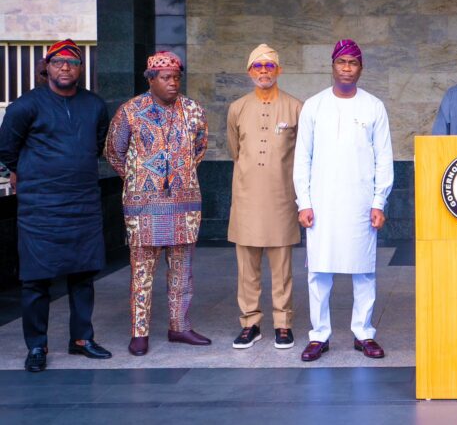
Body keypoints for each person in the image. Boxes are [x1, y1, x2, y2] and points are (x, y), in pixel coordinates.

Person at [0, 39, 112, 372]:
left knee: (83, 274)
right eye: (58, 61)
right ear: (46, 67)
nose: (65, 67)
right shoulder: (26, 106)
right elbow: (6, 148)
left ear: (81, 69)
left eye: (73, 62)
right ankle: (37, 345)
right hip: (40, 206)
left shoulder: (94, 105)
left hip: (82, 202)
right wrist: (27, 172)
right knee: (36, 280)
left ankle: (82, 339)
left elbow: (97, 144)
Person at [293, 39, 393, 362]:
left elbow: (384, 158)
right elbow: (302, 158)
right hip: (322, 202)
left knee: (363, 269)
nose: (347, 68)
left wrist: (379, 201)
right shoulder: (314, 106)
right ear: (332, 66)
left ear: (361, 68)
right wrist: (304, 202)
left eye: (353, 63)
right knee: (319, 271)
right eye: (341, 62)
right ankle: (319, 335)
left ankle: (363, 333)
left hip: (360, 202)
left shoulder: (373, 106)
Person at [105, 51, 210, 356]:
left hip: (184, 205)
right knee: (142, 273)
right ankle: (140, 333)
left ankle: (180, 327)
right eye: (165, 78)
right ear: (151, 80)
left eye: (176, 77)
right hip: (142, 208)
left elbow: (199, 148)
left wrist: (179, 175)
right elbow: (114, 152)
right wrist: (139, 177)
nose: (173, 83)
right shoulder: (130, 111)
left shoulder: (193, 110)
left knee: (182, 271)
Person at [227, 44, 303, 350]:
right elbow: (235, 150)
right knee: (247, 268)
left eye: (269, 66)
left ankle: (283, 325)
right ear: (249, 72)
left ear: (279, 71)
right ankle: (250, 324)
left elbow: (303, 155)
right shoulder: (238, 108)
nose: (263, 71)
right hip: (246, 199)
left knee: (282, 268)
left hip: (281, 199)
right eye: (257, 66)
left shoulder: (296, 107)